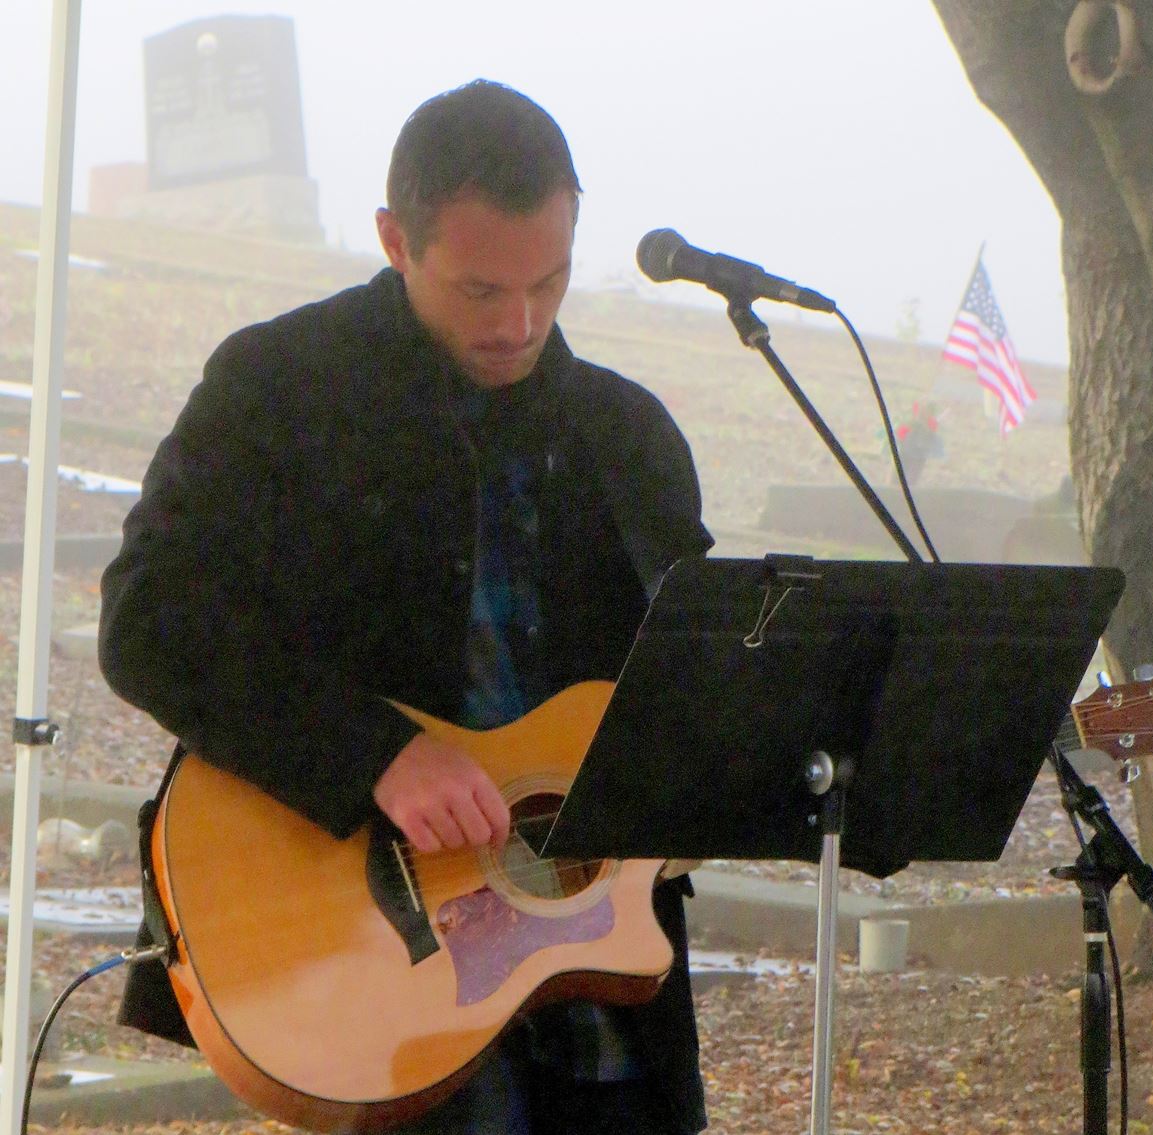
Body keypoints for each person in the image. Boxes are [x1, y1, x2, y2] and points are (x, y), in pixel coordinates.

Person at [99, 79, 712, 1134]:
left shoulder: (628, 438)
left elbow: (698, 687)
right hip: (375, 968)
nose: (517, 323)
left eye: (549, 282)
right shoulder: (279, 389)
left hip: (601, 1001)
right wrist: (373, 753)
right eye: (479, 290)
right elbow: (147, 620)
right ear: (394, 238)